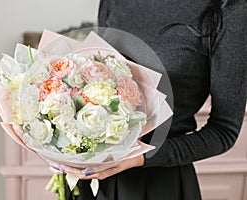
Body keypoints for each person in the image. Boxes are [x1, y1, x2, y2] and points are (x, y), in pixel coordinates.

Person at [55, 0, 247, 199]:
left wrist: (139, 157)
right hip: (89, 179)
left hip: (157, 183)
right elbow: (99, 72)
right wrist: (60, 144)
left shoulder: (229, 8)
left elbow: (224, 131)